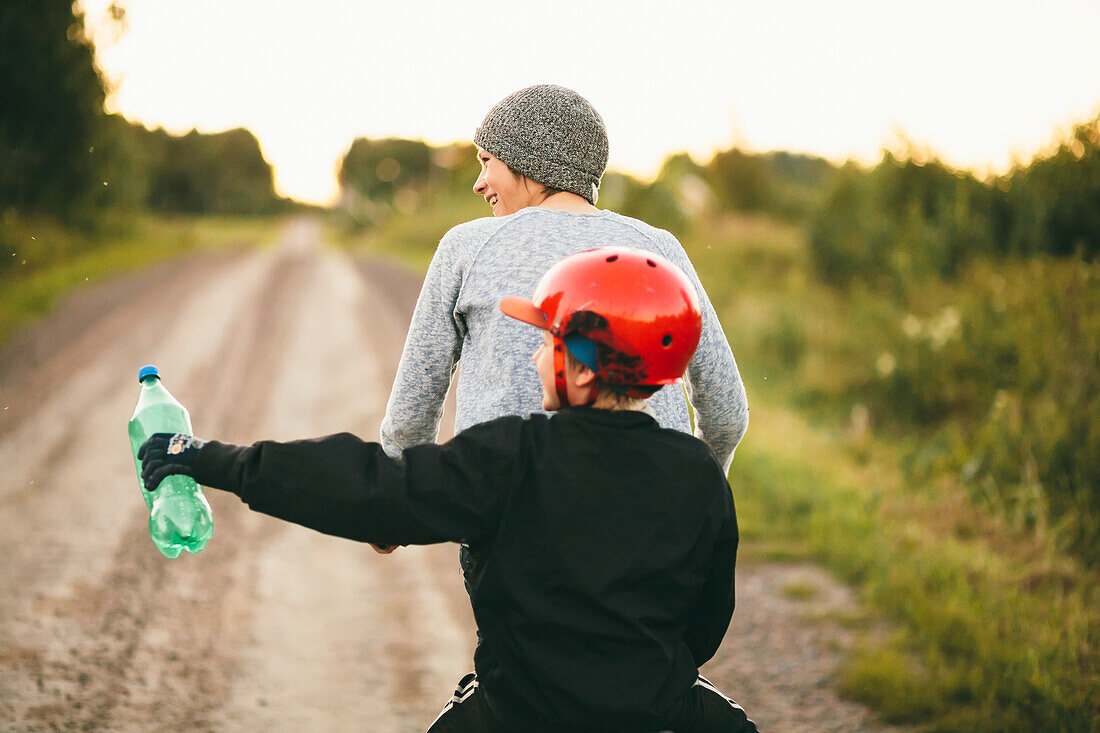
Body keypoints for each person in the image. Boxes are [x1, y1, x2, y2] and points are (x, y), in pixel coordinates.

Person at [138, 247, 758, 732]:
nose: (538, 358)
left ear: (583, 366)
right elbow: (708, 620)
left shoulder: (514, 455)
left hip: (518, 715)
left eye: (548, 342)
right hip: (658, 709)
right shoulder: (699, 473)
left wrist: (206, 459)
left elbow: (368, 489)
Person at [377, 83, 749, 565]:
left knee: (517, 643)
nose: (478, 182)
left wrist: (394, 502)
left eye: (486, 161)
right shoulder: (658, 248)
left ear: (530, 162)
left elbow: (415, 404)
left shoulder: (468, 246)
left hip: (511, 529)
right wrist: (695, 488)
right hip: (651, 528)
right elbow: (727, 411)